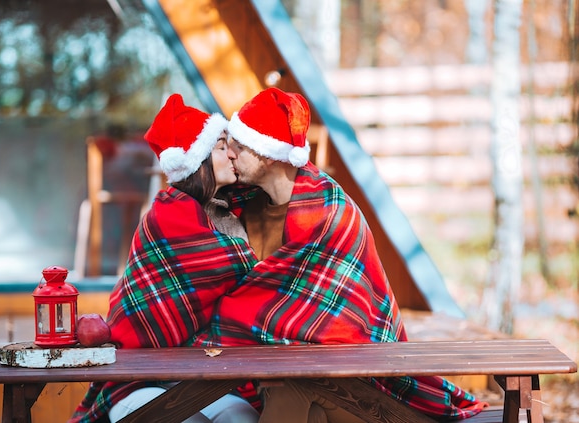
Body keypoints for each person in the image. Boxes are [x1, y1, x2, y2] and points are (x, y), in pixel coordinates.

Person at [190, 87, 487, 422]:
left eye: (239, 146)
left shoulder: (329, 214)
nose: (229, 153)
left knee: (291, 386)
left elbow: (340, 324)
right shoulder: (240, 208)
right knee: (298, 400)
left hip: (360, 386)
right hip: (276, 378)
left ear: (268, 153)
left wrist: (244, 319)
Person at [69, 94, 260, 423]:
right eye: (218, 148)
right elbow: (238, 268)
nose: (230, 153)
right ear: (196, 163)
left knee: (241, 416)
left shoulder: (227, 213)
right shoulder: (170, 212)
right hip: (141, 376)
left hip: (204, 372)